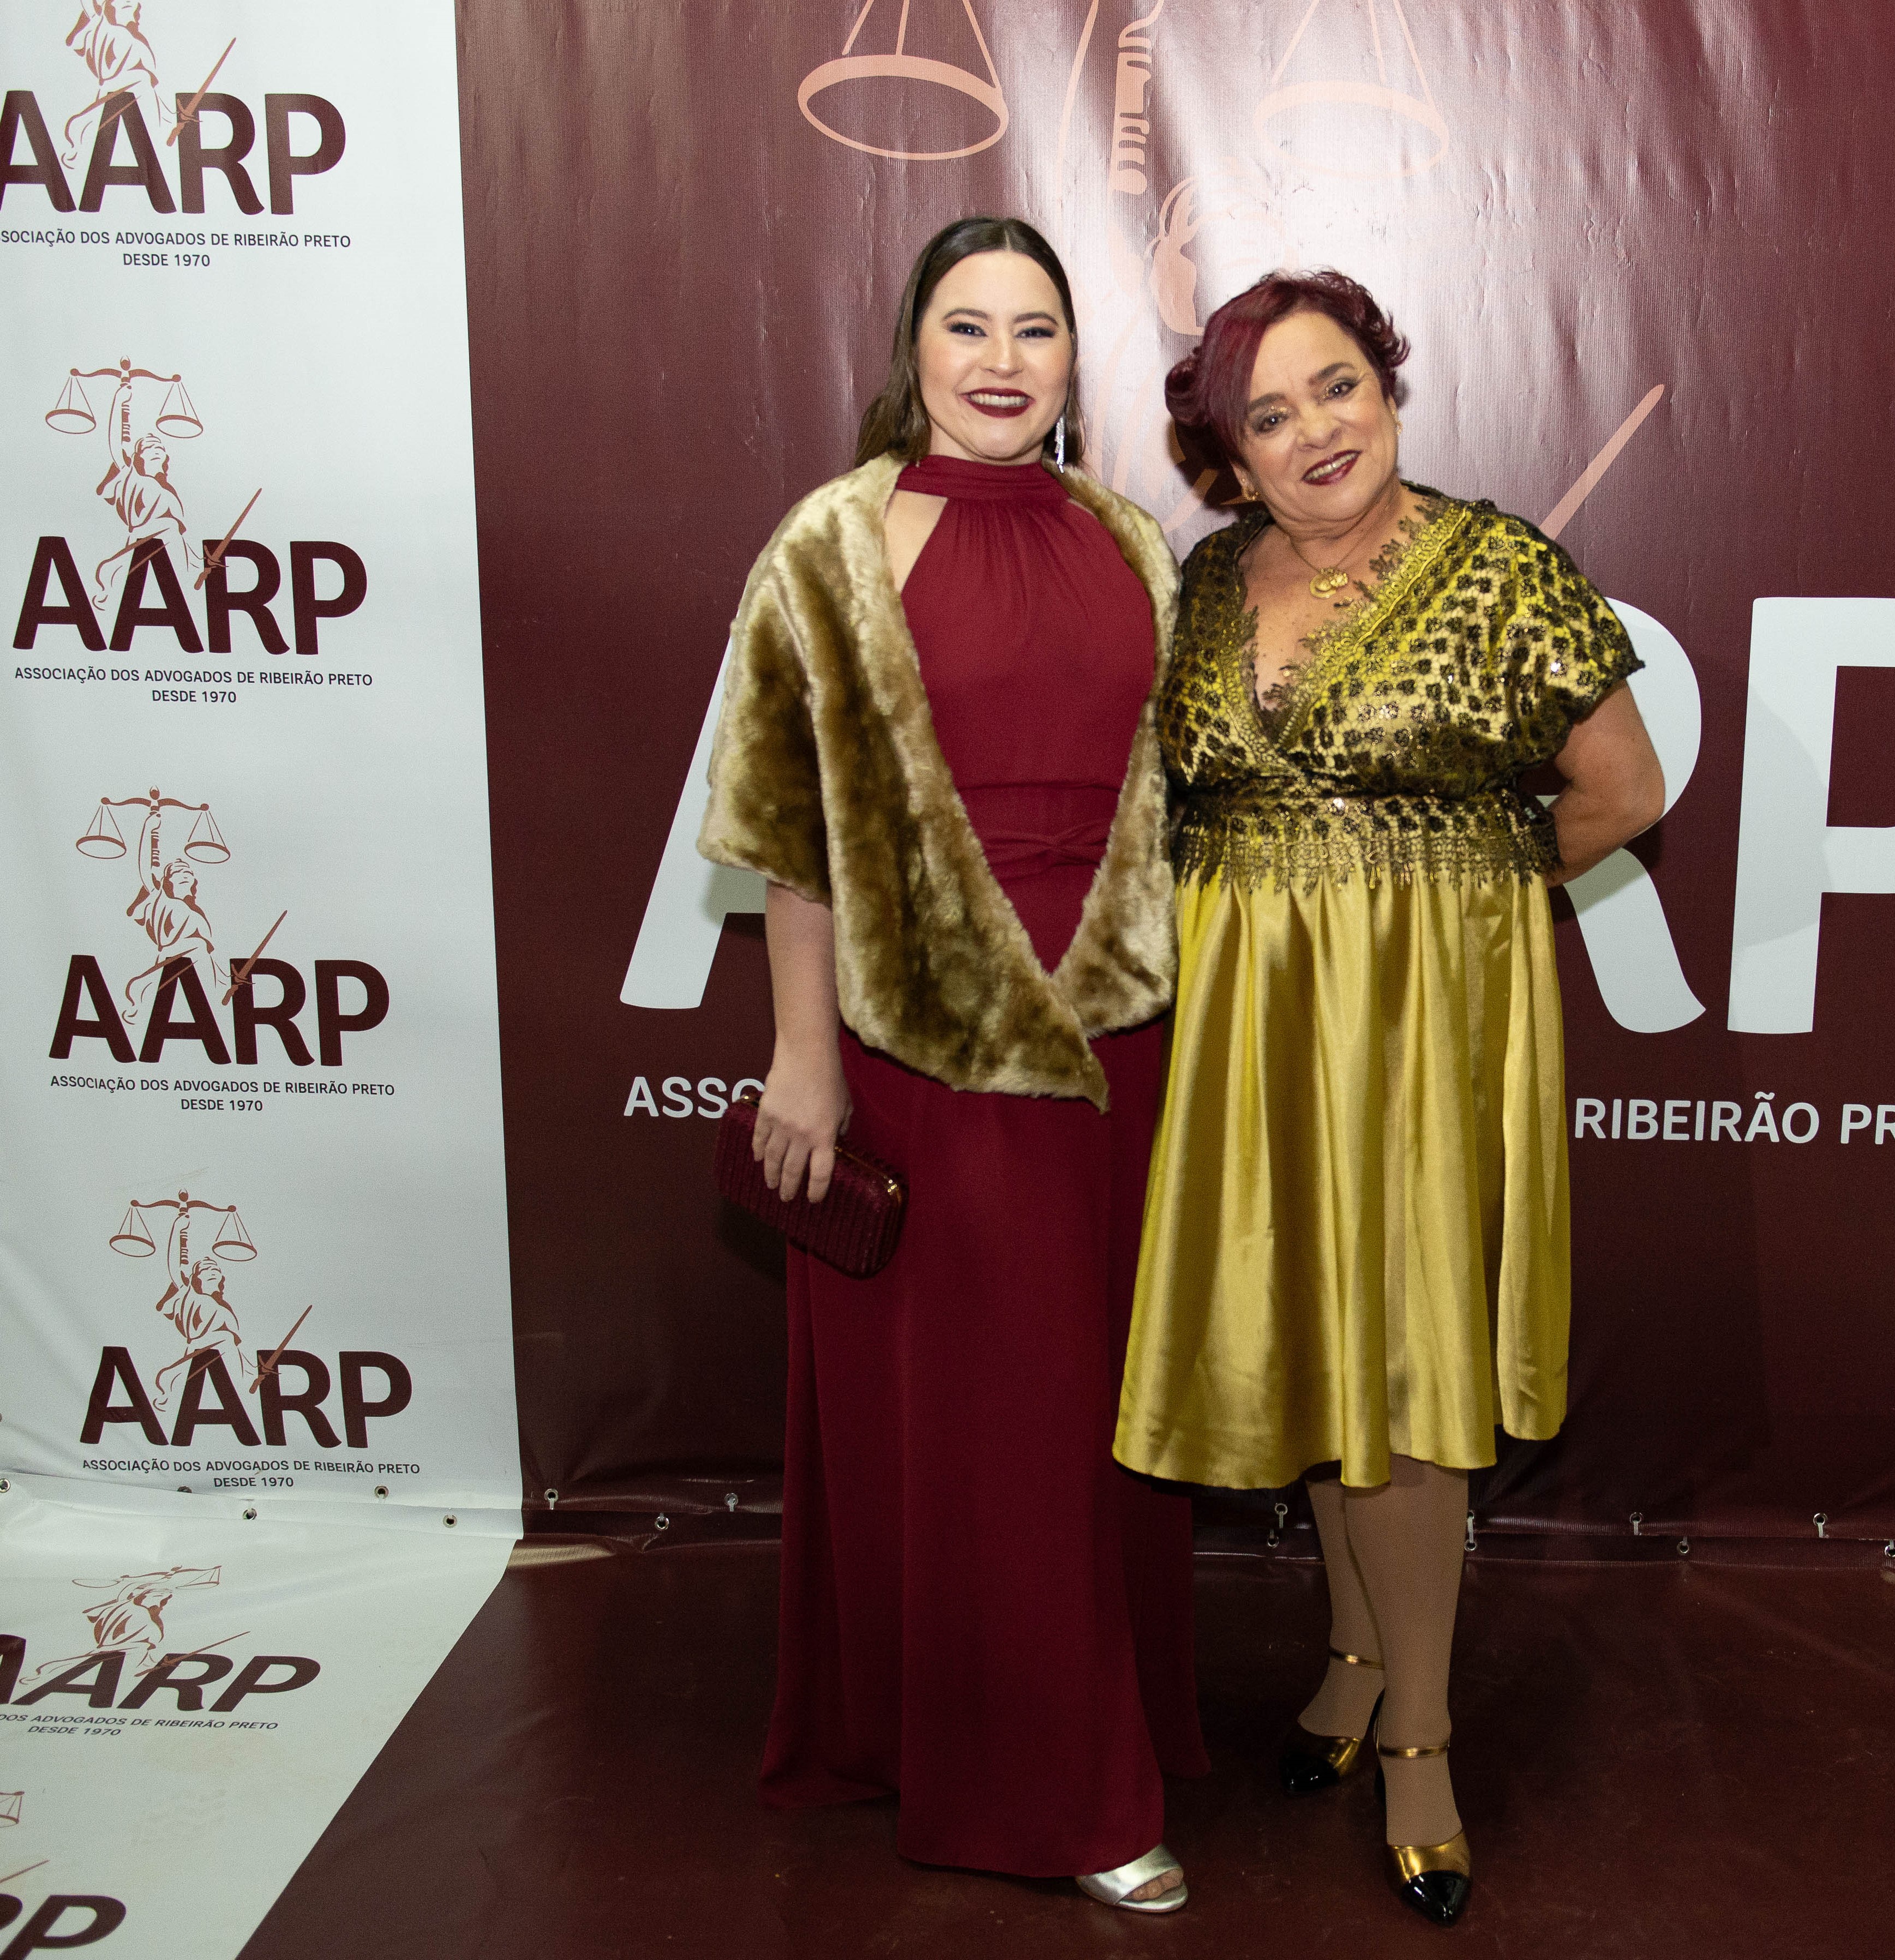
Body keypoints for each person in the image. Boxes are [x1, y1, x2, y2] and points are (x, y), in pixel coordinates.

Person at [1113, 269, 1665, 1927]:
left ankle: (1420, 1741)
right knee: (1311, 1348)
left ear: (1391, 385)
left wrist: (1455, 909)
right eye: (1269, 416)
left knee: (1404, 1380)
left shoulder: (1501, 568)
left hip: (1423, 1032)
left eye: (1338, 385)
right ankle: (1354, 1657)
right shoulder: (1206, 585)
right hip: (1249, 1025)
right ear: (1230, 459)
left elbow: (1623, 790)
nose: (1316, 433)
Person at [696, 216, 1207, 1914]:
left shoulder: (1129, 540)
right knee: (996, 1427)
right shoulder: (831, 540)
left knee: (1092, 1420)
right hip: (931, 1043)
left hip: (1121, 1039)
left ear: (1073, 361)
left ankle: (1026, 1722)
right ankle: (1059, 1792)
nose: (1001, 360)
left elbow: (1174, 806)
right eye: (967, 324)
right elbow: (789, 832)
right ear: (912, 345)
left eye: (1034, 329)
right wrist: (803, 1056)